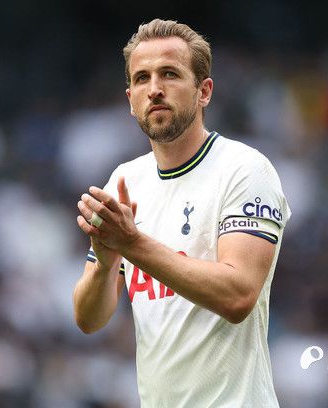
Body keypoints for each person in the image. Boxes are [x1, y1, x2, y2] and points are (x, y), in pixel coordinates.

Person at [73, 18, 290, 407]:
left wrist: (131, 244)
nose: (154, 88)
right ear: (130, 100)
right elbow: (89, 320)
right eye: (142, 78)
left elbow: (238, 296)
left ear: (204, 91)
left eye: (169, 74)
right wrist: (105, 264)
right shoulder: (125, 181)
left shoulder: (244, 169)